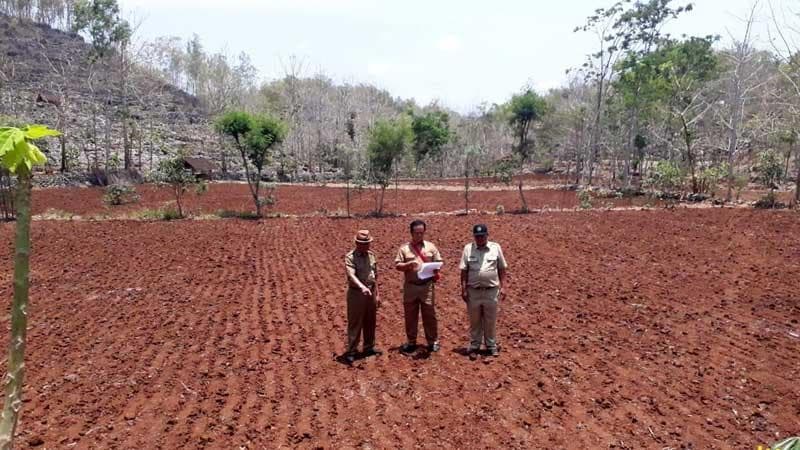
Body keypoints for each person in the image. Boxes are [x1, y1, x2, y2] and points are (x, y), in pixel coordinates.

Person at [395, 219, 443, 353]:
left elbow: (439, 262)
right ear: (411, 233)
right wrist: (408, 265)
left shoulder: (431, 247)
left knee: (429, 314)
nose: (419, 235)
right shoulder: (404, 249)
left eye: (422, 233)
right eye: (417, 233)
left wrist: (434, 268)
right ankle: (411, 342)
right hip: (411, 286)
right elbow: (397, 265)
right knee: (410, 315)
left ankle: (432, 341)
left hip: (426, 286)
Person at [459, 224, 507, 358]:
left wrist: (503, 287)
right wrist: (463, 289)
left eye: (482, 236)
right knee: (474, 320)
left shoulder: (495, 248)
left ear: (487, 235)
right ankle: (475, 345)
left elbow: (502, 269)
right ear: (474, 237)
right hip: (473, 291)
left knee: (490, 319)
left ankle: (491, 345)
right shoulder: (468, 249)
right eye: (477, 236)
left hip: (491, 290)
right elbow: (464, 271)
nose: (480, 238)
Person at [343, 229, 382, 364]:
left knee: (370, 321)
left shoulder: (371, 256)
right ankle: (352, 350)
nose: (366, 246)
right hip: (356, 294)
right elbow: (351, 275)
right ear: (356, 243)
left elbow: (375, 276)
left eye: (368, 243)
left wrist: (377, 294)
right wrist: (362, 287)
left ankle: (368, 347)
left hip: (370, 293)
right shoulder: (350, 257)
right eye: (362, 243)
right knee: (355, 322)